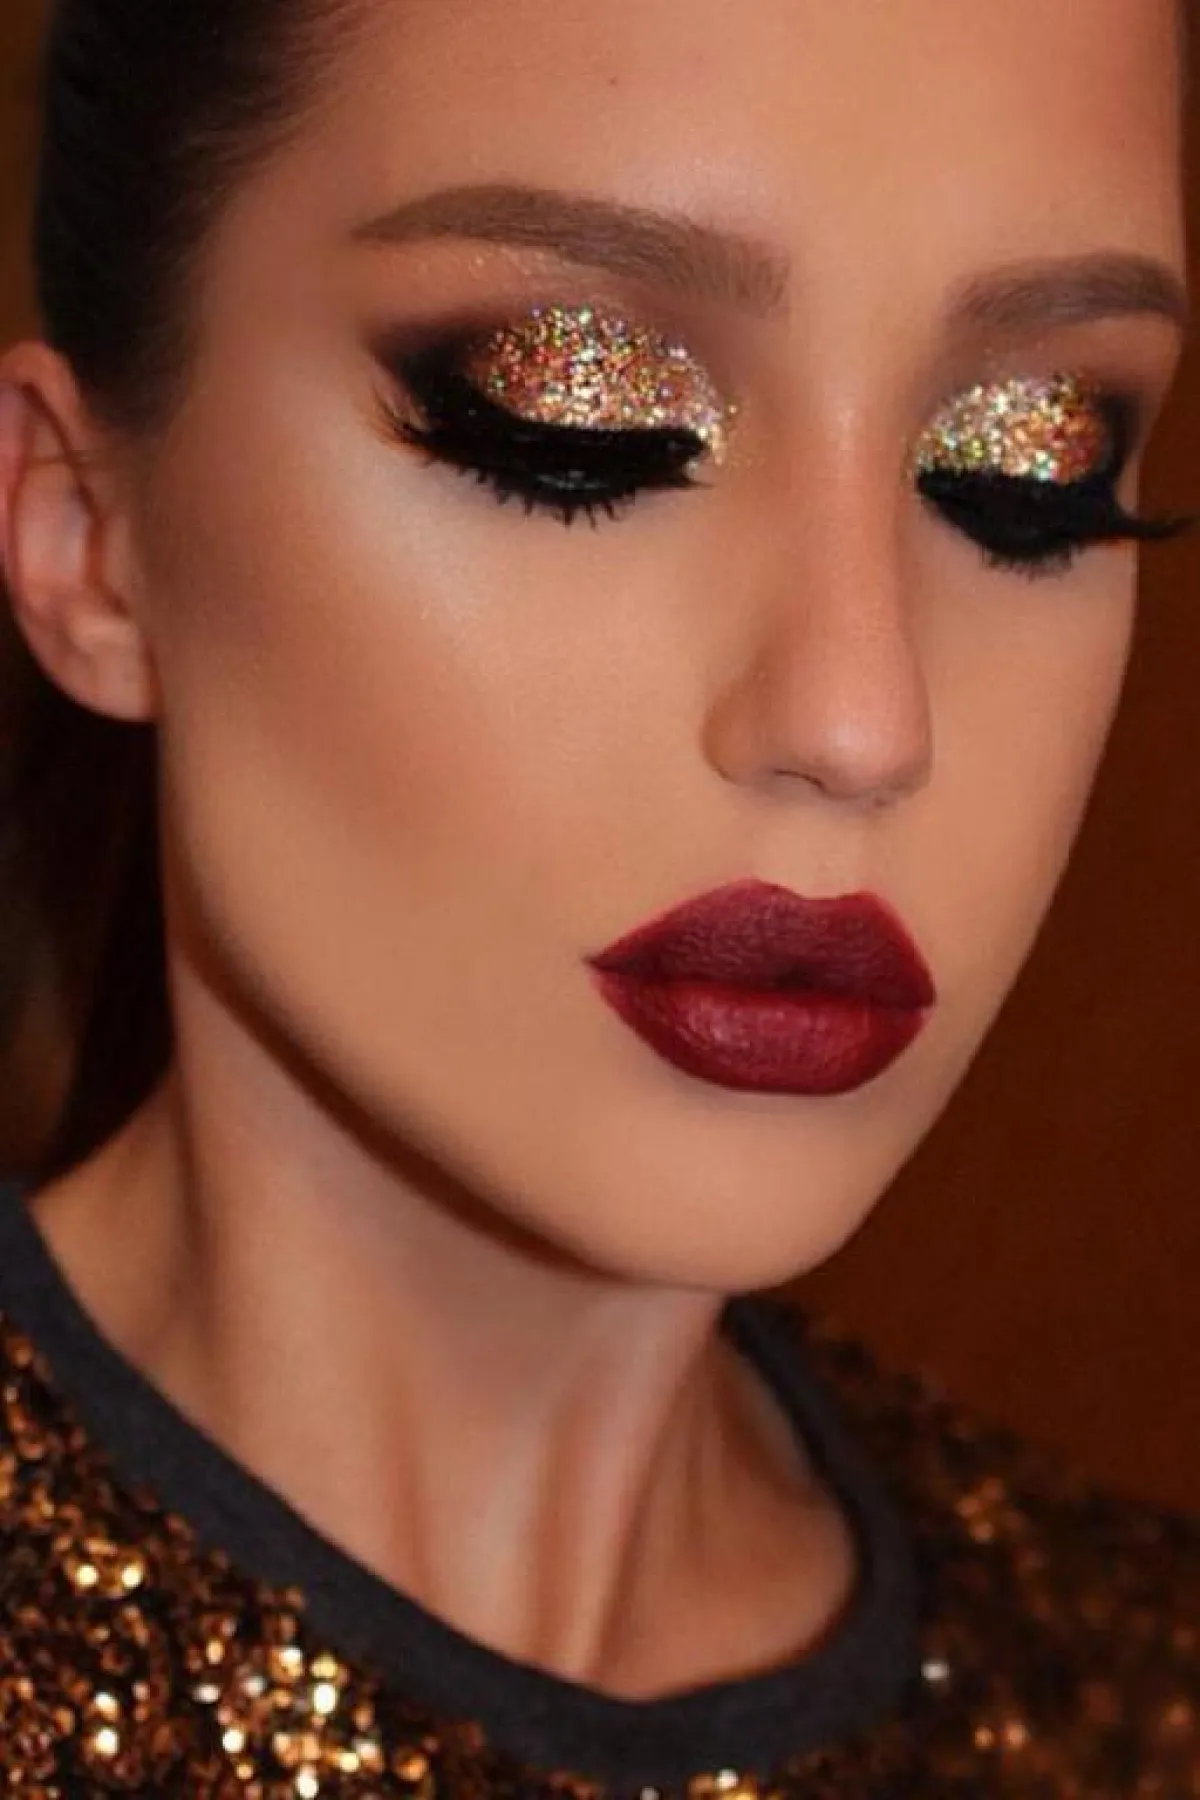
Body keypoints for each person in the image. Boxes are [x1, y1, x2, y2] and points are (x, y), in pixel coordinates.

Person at [0, 0, 1195, 1790]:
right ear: (86, 537)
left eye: (1028, 463)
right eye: (580, 409)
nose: (861, 719)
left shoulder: (1139, 1714)